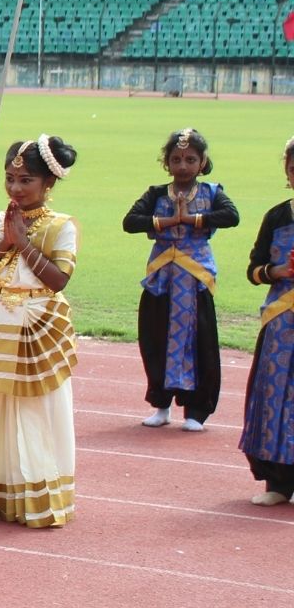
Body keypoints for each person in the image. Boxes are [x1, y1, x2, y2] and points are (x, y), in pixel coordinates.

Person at [0, 135, 81, 528]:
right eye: (10, 178)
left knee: (37, 409)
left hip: (40, 325)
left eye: (26, 179)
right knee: (0, 409)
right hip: (2, 322)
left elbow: (59, 279)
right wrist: (2, 245)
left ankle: (39, 499)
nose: (15, 188)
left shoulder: (62, 226)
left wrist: (24, 244)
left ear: (49, 183)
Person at [124, 127, 238, 431]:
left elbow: (231, 216)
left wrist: (192, 220)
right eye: (176, 159)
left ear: (202, 162)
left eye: (190, 159)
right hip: (161, 277)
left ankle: (195, 411)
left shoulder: (212, 193)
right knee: (155, 337)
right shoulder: (157, 194)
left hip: (195, 277)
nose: (183, 166)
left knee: (199, 341)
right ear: (167, 163)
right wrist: (166, 221)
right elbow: (130, 222)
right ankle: (160, 404)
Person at [242, 136, 294, 507]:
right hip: (279, 322)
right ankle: (278, 482)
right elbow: (254, 270)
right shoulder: (277, 216)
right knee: (274, 398)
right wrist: (276, 270)